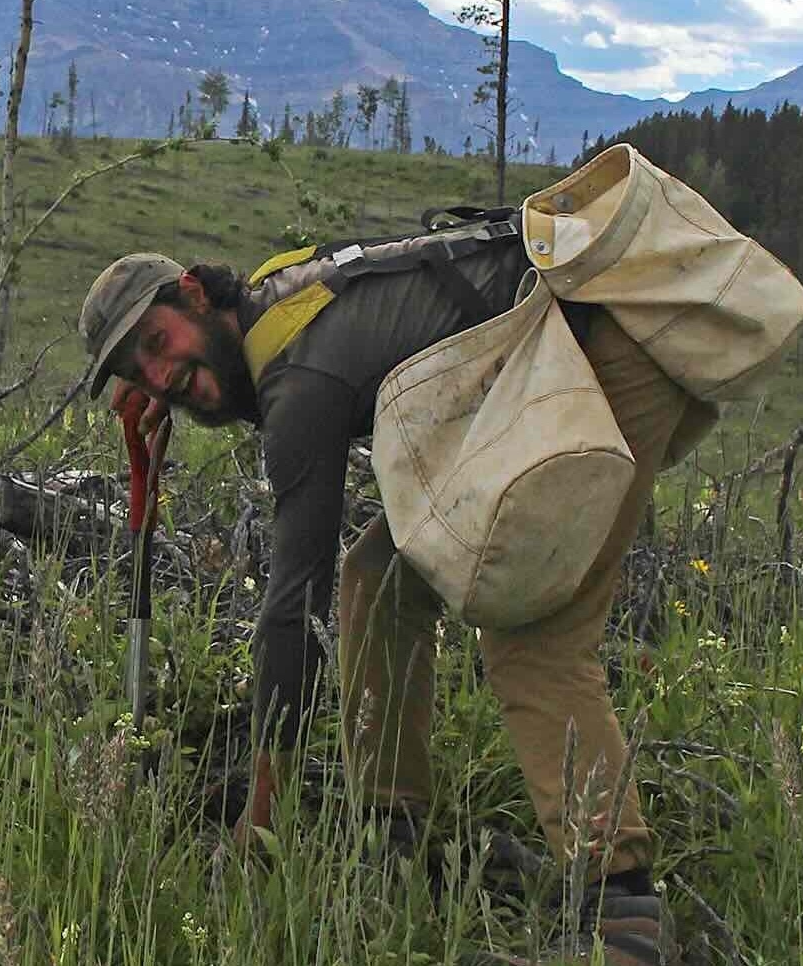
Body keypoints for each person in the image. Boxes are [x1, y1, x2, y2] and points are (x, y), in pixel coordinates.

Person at [79, 244, 695, 966]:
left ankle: (621, 918)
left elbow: (292, 606)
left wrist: (264, 813)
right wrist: (182, 371)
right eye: (138, 372)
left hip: (608, 350)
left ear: (193, 294)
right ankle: (390, 831)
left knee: (529, 627)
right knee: (379, 573)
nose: (158, 377)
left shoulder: (299, 376)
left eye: (158, 344)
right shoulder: (270, 303)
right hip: (550, 369)